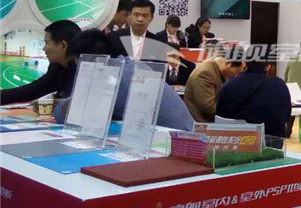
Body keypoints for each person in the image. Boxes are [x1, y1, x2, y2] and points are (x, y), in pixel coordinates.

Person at [53, 30, 194, 131]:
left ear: (89, 61)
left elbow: (66, 115)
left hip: (172, 147)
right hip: (182, 138)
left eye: (78, 64)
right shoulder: (130, 65)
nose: (79, 70)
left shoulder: (111, 79)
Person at [216, 45, 291, 138]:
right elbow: (286, 116)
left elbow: (220, 116)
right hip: (272, 142)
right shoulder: (280, 85)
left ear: (244, 63)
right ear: (268, 66)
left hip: (236, 141)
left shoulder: (229, 85)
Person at [0, 20, 81, 105]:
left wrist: (55, 103)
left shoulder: (83, 72)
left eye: (47, 43)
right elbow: (35, 89)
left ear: (63, 45)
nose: (43, 48)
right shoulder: (57, 66)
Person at [184, 48, 244, 122]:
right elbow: (208, 108)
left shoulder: (217, 70)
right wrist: (236, 114)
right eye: (236, 72)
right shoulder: (205, 73)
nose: (236, 75)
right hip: (201, 121)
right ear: (228, 63)